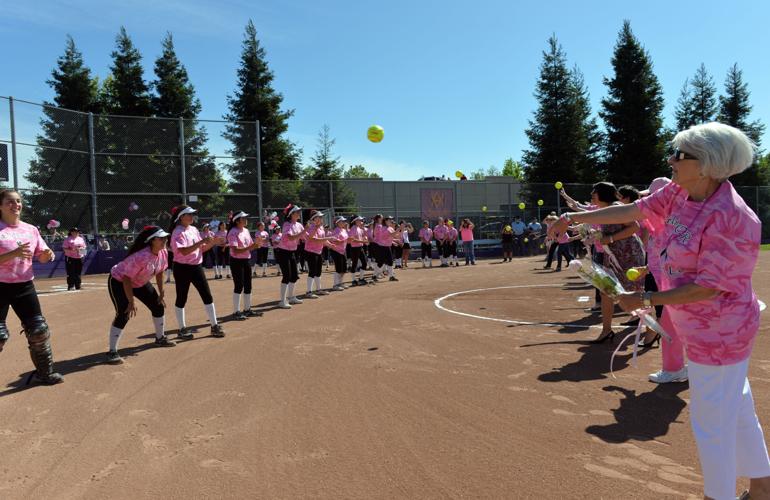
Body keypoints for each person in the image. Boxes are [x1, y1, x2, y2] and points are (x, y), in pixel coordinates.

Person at [550, 123, 770, 500]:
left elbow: (708, 286)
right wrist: (574, 219)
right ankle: (763, 486)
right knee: (735, 408)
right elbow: (635, 208)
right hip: (701, 328)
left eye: (680, 155)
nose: (671, 160)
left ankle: (719, 495)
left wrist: (648, 300)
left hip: (720, 333)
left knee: (711, 422)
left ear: (706, 164)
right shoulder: (680, 192)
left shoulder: (733, 217)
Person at [0, 189, 64, 385]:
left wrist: (46, 255)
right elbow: (17, 254)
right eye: (10, 201)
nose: (16, 205)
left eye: (18, 201)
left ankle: (44, 373)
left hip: (24, 285)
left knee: (38, 330)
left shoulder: (31, 229)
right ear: (0, 206)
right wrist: (14, 254)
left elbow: (41, 253)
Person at [106, 226, 176, 364]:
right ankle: (112, 351)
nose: (164, 240)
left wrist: (161, 291)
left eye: (165, 238)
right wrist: (131, 301)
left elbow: (160, 271)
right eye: (161, 238)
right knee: (124, 312)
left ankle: (160, 338)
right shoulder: (141, 256)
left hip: (139, 282)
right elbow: (126, 278)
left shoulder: (163, 253)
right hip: (119, 281)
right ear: (152, 241)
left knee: (158, 306)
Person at [168, 205, 225, 339]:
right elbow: (184, 251)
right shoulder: (177, 232)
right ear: (181, 217)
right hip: (182, 268)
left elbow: (202, 249)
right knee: (182, 298)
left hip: (196, 267)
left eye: (193, 214)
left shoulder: (193, 229)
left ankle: (214, 326)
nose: (192, 216)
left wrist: (214, 243)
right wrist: (202, 241)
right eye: (189, 214)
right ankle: (182, 329)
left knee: (207, 295)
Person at [227, 212, 264, 319]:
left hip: (246, 260)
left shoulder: (246, 231)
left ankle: (247, 309)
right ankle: (236, 312)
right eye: (244, 218)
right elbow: (235, 250)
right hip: (236, 261)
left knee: (248, 285)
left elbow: (250, 246)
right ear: (237, 220)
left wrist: (257, 245)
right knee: (239, 285)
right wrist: (251, 247)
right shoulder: (232, 232)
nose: (246, 219)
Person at [275, 204, 304, 308]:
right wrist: (304, 232)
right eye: (297, 212)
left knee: (294, 276)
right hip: (283, 252)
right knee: (287, 276)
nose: (299, 213)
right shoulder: (287, 224)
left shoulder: (299, 225)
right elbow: (291, 238)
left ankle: (291, 297)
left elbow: (307, 237)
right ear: (291, 214)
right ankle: (282, 301)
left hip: (292, 252)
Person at [303, 211, 332, 298]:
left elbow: (322, 239)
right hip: (310, 251)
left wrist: (330, 244)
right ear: (314, 219)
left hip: (319, 251)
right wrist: (316, 227)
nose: (321, 219)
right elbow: (312, 239)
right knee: (312, 271)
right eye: (319, 217)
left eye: (321, 217)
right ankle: (308, 292)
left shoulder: (321, 227)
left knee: (318, 271)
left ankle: (319, 289)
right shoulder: (310, 227)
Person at [62, 227, 87, 291]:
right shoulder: (68, 239)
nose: (75, 232)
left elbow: (84, 248)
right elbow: (64, 249)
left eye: (76, 231)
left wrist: (82, 251)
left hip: (79, 257)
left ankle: (78, 285)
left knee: (78, 272)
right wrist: (72, 250)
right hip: (70, 258)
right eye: (73, 231)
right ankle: (71, 286)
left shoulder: (81, 239)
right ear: (71, 232)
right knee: (71, 272)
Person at [329, 216, 349, 291]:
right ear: (337, 223)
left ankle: (340, 283)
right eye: (342, 221)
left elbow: (347, 238)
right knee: (339, 268)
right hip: (336, 251)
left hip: (342, 251)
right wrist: (342, 241)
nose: (344, 222)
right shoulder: (336, 230)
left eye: (344, 221)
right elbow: (334, 240)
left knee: (343, 269)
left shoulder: (343, 230)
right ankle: (335, 285)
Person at [348, 216, 368, 285]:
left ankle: (361, 278)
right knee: (354, 264)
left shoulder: (359, 228)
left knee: (364, 263)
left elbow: (361, 236)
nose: (361, 221)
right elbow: (352, 239)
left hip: (360, 248)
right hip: (354, 248)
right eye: (359, 220)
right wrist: (362, 241)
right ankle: (354, 280)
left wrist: (364, 239)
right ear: (355, 221)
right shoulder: (353, 228)